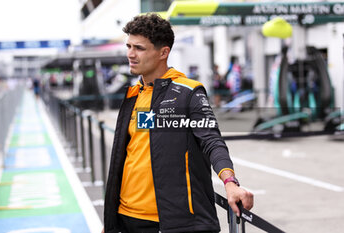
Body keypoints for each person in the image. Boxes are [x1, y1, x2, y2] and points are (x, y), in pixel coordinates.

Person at [102, 14, 253, 233]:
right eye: (129, 46)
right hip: (127, 218)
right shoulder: (133, 95)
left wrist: (230, 182)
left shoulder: (188, 92)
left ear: (163, 52)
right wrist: (110, 220)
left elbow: (212, 141)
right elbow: (124, 156)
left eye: (139, 48)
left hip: (172, 222)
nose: (130, 54)